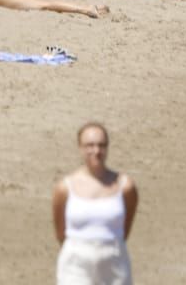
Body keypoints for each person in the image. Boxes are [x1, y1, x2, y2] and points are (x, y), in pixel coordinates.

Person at [52, 121, 137, 284]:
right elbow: (60, 232)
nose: (96, 151)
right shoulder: (65, 188)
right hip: (76, 263)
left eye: (101, 145)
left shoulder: (125, 186)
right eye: (89, 145)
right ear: (80, 147)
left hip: (114, 261)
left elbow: (125, 227)